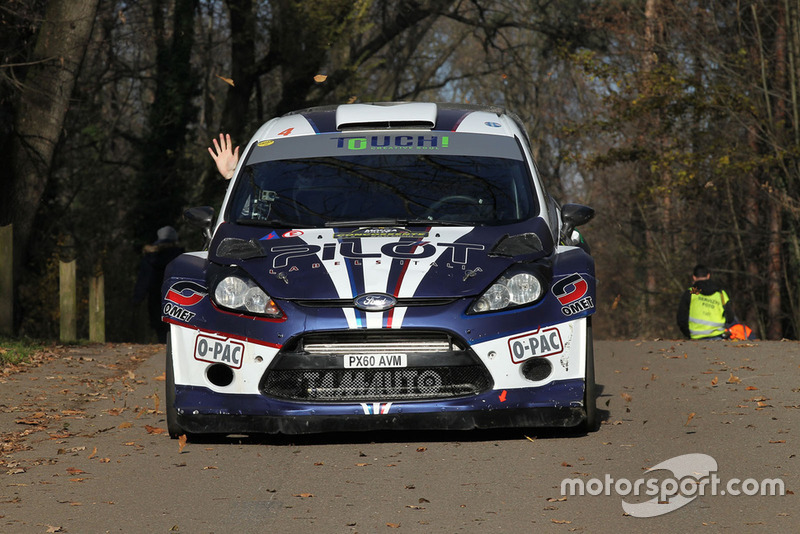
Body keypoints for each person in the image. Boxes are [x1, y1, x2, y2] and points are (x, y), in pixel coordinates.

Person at [133, 226, 185, 343]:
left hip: (155, 294)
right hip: (175, 296)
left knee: (159, 326)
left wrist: (137, 298)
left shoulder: (150, 257)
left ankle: (162, 344)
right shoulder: (180, 257)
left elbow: (144, 278)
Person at [676, 264, 736, 340]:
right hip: (718, 337)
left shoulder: (692, 292)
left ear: (694, 277)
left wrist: (688, 334)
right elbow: (730, 317)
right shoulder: (720, 293)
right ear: (708, 276)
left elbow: (681, 319)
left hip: (696, 338)